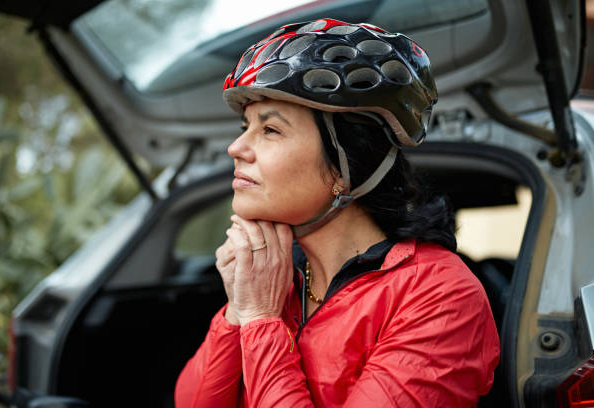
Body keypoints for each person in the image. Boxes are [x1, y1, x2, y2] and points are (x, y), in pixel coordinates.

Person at [174, 18, 499, 408]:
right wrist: (237, 311)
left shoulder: (438, 293)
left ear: (345, 169)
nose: (236, 147)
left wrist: (262, 320)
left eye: (270, 131)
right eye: (245, 127)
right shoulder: (276, 272)